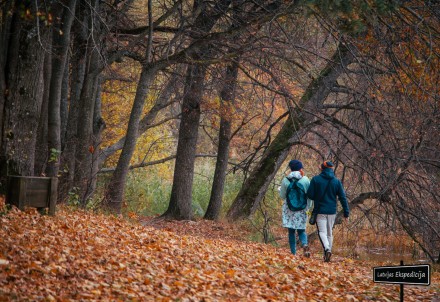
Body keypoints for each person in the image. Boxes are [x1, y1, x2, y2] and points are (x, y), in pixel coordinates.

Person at [307, 161, 349, 262]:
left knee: (322, 232)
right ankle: (328, 254)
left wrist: (317, 195)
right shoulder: (336, 181)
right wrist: (346, 212)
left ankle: (327, 249)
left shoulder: (315, 179)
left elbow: (310, 195)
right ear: (331, 169)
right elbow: (343, 198)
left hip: (320, 210)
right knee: (329, 233)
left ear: (322, 168)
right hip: (332, 211)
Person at [279, 159, 312, 257]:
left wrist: (280, 190)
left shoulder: (286, 180)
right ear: (300, 168)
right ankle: (305, 244)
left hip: (289, 209)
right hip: (302, 209)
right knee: (301, 230)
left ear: (291, 168)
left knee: (291, 231)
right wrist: (308, 208)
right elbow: (309, 196)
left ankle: (293, 253)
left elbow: (282, 196)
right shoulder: (305, 180)